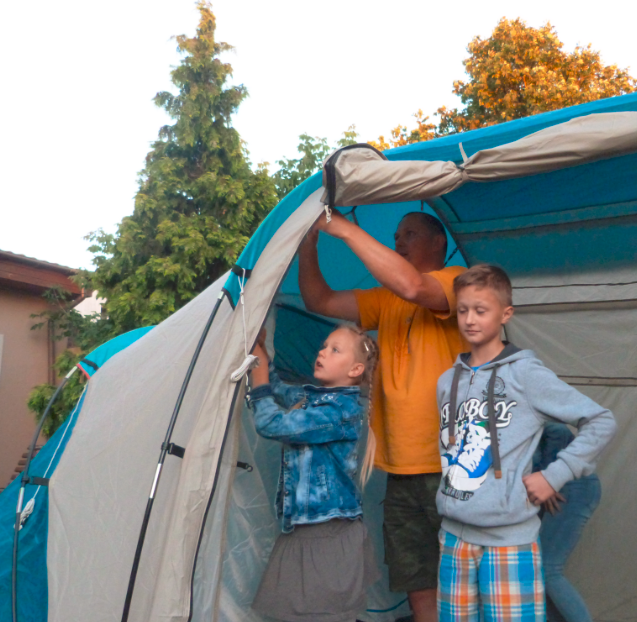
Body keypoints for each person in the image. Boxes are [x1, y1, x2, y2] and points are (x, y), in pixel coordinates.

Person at [299, 209, 467, 622]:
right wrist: (308, 244)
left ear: (439, 243)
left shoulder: (459, 280)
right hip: (400, 468)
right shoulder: (385, 299)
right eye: (396, 236)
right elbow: (319, 301)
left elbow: (413, 286)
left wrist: (341, 227)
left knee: (467, 582)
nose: (399, 241)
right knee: (418, 584)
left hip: (454, 466)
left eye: (410, 234)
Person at [436, 264, 616, 622]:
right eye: (463, 310)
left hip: (509, 541)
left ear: (506, 314)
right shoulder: (446, 381)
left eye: (481, 310)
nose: (470, 319)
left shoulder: (526, 374)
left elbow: (601, 420)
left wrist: (554, 475)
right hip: (453, 536)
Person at [246, 324, 380, 622]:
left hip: (327, 534)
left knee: (323, 613)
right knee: (304, 613)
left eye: (335, 350)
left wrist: (259, 382)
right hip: (307, 530)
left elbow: (271, 424)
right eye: (324, 346)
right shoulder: (313, 399)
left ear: (355, 369)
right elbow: (280, 388)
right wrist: (261, 353)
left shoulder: (339, 411)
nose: (322, 352)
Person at [534, 424, 602, 622]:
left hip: (571, 488)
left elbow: (557, 430)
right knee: (534, 571)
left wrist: (548, 478)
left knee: (547, 568)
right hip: (542, 493)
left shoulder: (523, 406)